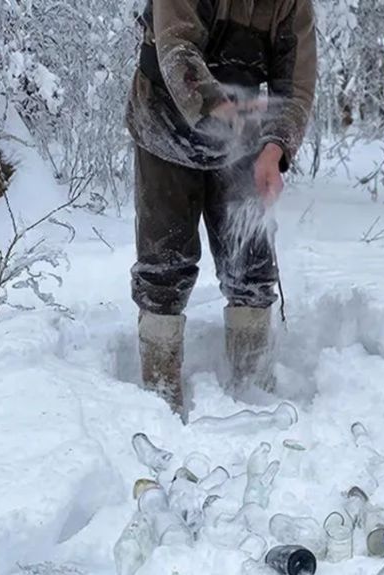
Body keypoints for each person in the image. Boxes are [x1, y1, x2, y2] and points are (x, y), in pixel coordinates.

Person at [124, 0, 316, 420]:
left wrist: (276, 147)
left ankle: (253, 395)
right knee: (165, 266)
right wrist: (216, 105)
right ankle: (160, 402)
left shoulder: (292, 5)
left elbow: (296, 85)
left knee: (252, 268)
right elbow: (176, 49)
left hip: (241, 138)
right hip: (165, 123)